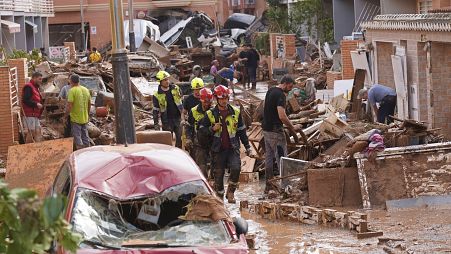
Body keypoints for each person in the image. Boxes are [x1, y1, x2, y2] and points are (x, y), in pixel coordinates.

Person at [198, 85, 252, 203]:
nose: (224, 100)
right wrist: (212, 129)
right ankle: (220, 199)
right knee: (218, 175)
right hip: (217, 149)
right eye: (221, 98)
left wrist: (247, 146)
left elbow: (242, 131)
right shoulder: (210, 114)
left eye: (226, 98)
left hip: (232, 147)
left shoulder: (236, 112)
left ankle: (231, 192)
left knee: (236, 168)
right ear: (216, 99)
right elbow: (201, 130)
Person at [262, 75, 301, 193]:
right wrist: (292, 127)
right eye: (290, 86)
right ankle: (285, 187)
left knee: (269, 157)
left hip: (266, 130)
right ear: (285, 83)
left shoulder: (271, 90)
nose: (290, 89)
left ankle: (268, 185)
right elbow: (282, 116)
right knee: (282, 158)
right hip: (276, 131)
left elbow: (266, 108)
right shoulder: (280, 95)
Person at [186, 88, 214, 178]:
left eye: (208, 102)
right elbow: (189, 126)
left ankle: (214, 182)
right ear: (201, 100)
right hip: (199, 142)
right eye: (205, 102)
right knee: (201, 165)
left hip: (214, 141)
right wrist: (188, 138)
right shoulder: (194, 111)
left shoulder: (215, 111)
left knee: (215, 165)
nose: (207, 104)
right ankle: (205, 184)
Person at [153, 70, 183, 148]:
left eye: (167, 79)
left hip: (177, 118)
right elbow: (155, 110)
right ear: (160, 82)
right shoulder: (157, 95)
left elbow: (181, 100)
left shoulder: (175, 88)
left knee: (180, 139)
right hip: (166, 121)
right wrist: (156, 123)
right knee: (167, 142)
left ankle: (178, 155)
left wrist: (183, 116)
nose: (167, 81)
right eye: (165, 80)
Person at [66, 74, 91, 150]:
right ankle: (87, 150)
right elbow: (89, 104)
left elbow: (70, 105)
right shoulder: (86, 90)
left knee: (77, 136)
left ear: (71, 81)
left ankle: (80, 151)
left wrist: (66, 115)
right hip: (84, 117)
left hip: (75, 118)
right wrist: (87, 113)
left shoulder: (72, 90)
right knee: (85, 135)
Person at [22, 72, 44, 142]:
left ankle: (38, 149)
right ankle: (28, 149)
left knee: (38, 131)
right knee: (31, 133)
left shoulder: (35, 88)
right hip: (30, 114)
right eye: (39, 79)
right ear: (34, 78)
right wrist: (36, 104)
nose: (41, 81)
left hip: (35, 114)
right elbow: (25, 100)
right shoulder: (28, 87)